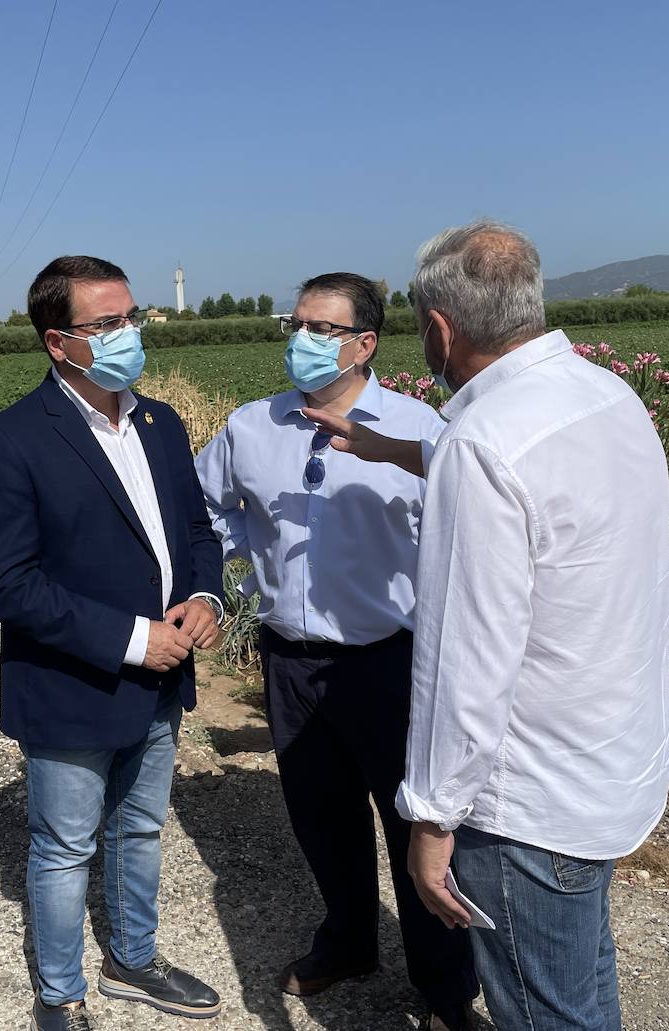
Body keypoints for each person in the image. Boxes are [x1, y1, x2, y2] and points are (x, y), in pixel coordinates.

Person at [305, 221, 669, 1031]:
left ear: (440, 329)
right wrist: (393, 448)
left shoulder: (482, 442)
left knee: (543, 1013)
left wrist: (430, 820)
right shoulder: (605, 395)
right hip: (611, 764)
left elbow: (465, 660)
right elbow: (530, 484)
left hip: (525, 804)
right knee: (578, 985)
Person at [195, 273, 480, 1030]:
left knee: (415, 827)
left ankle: (444, 989)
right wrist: (237, 569)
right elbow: (207, 506)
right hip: (291, 661)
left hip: (392, 661)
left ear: (365, 343)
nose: (304, 340)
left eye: (323, 328)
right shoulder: (251, 427)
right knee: (322, 818)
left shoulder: (422, 430)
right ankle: (349, 940)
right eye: (297, 324)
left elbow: (472, 531)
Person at [0, 255, 226, 1031]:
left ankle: (133, 960)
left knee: (141, 829)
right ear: (58, 342)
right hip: (73, 684)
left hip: (162, 675)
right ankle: (59, 995)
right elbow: (8, 583)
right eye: (106, 324)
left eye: (131, 317)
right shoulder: (9, 441)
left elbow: (195, 531)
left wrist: (207, 597)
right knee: (64, 848)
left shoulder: (161, 422)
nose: (128, 334)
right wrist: (131, 638)